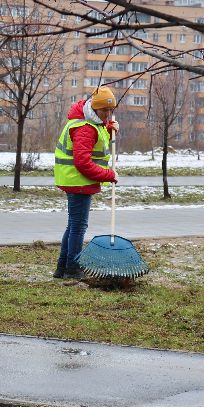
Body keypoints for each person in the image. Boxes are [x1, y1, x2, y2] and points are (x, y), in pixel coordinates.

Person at [53, 85, 120, 280]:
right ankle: (72, 269)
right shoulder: (85, 127)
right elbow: (83, 162)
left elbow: (96, 143)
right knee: (78, 227)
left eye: (111, 110)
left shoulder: (90, 122)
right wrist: (108, 175)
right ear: (95, 107)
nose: (108, 114)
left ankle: (62, 268)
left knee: (73, 225)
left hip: (75, 180)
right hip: (78, 181)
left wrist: (108, 129)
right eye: (104, 110)